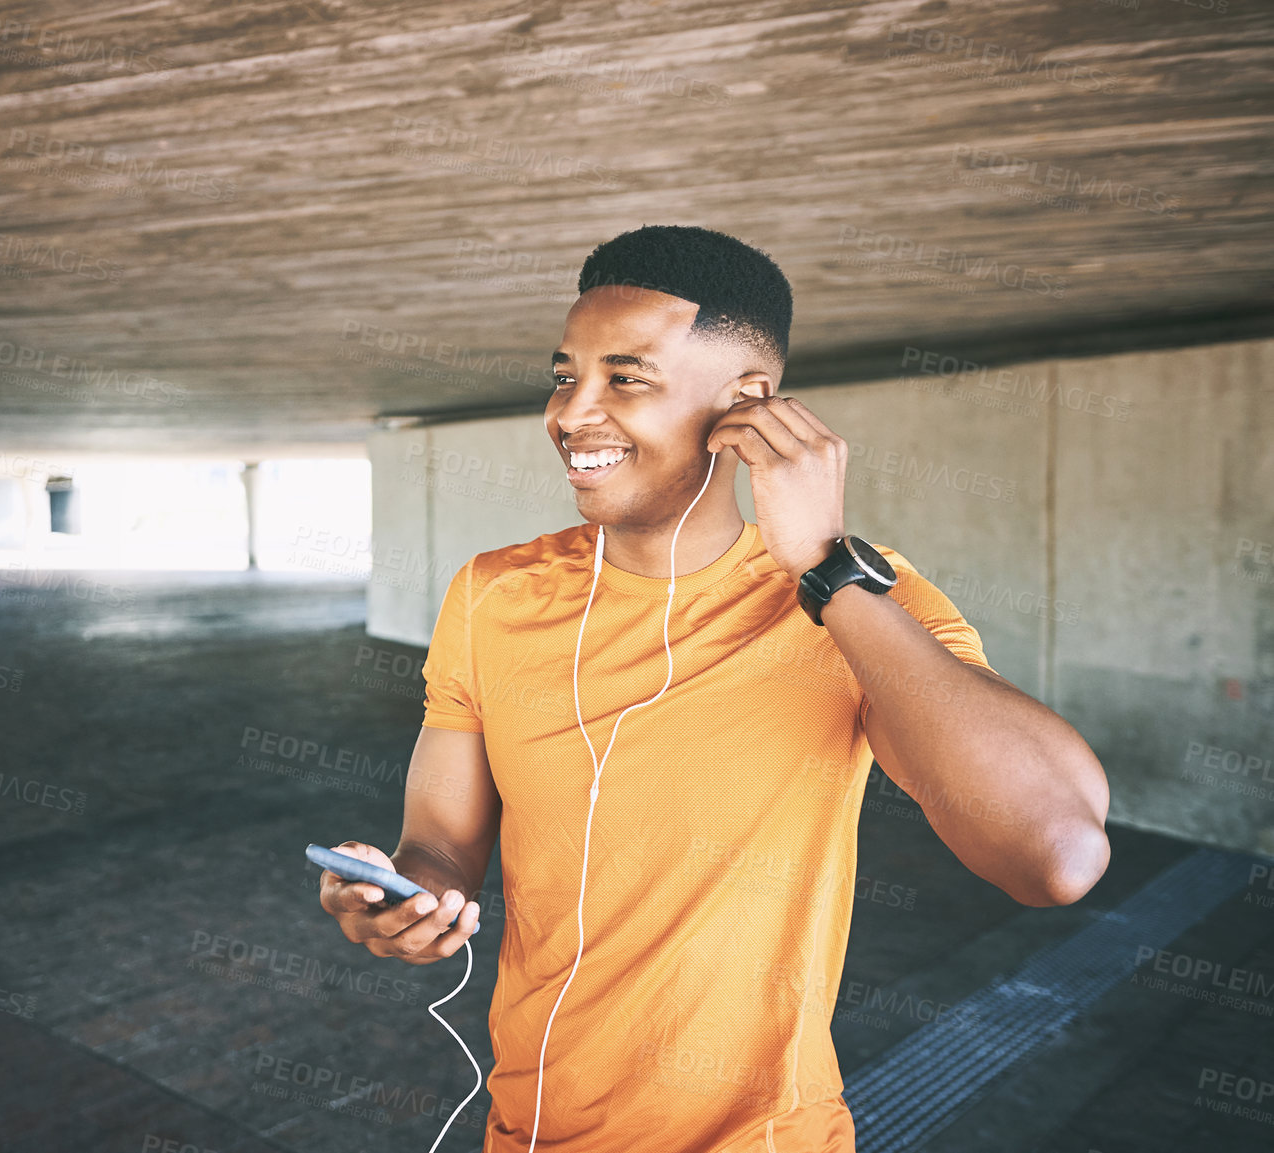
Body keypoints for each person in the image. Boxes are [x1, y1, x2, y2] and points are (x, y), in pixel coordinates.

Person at [316, 224, 1111, 1152]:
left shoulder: (858, 597)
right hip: (528, 1132)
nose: (572, 413)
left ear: (748, 405)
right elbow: (438, 844)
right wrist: (410, 899)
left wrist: (821, 566)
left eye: (626, 377)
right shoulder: (492, 595)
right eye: (565, 374)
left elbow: (1056, 852)